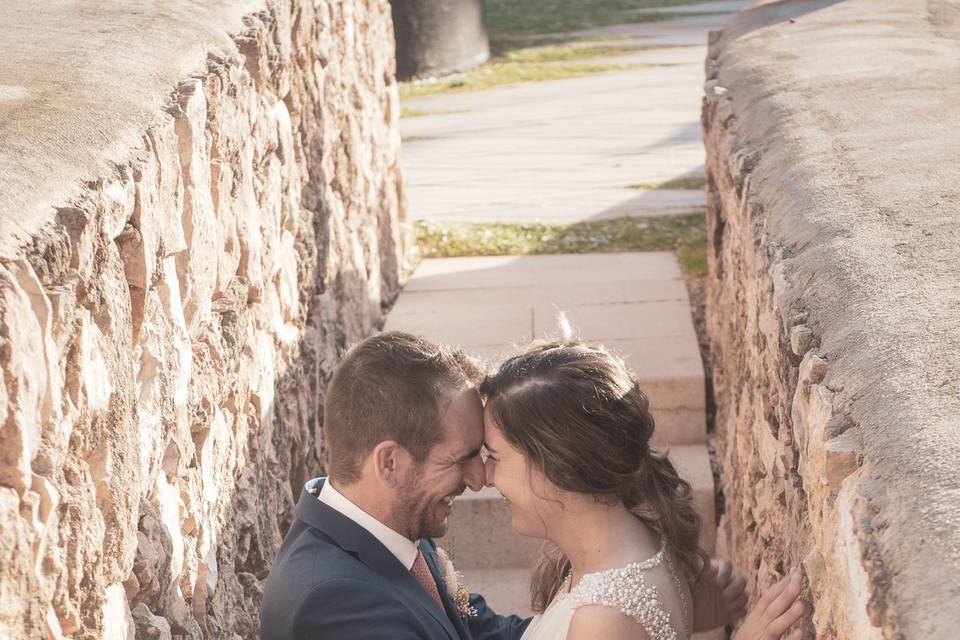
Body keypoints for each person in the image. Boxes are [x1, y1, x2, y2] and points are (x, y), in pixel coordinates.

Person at [260, 331, 803, 640]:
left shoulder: (392, 525)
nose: (479, 478)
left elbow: (479, 633)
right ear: (390, 464)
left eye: (490, 455)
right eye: (467, 458)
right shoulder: (332, 603)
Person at [479, 337, 805, 640]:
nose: (486, 476)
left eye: (494, 456)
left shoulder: (602, 619)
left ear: (556, 465)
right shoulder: (638, 536)